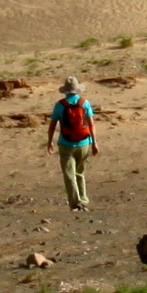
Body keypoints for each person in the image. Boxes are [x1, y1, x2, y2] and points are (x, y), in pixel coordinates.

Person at [43, 76, 97, 210]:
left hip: (65, 144)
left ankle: (75, 203)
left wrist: (50, 142)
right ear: (78, 90)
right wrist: (95, 142)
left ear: (65, 91)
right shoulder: (85, 103)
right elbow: (91, 124)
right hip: (84, 142)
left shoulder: (60, 105)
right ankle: (83, 200)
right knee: (80, 172)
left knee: (69, 175)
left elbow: (52, 125)